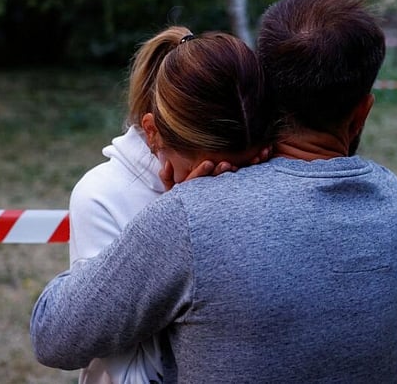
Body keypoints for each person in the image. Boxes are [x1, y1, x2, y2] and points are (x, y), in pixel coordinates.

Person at [30, 0, 397, 383]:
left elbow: (53, 335)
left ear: (264, 92)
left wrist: (172, 213)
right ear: (363, 112)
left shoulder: (192, 218)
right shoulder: (395, 203)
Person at [67, 26, 272, 383]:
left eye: (240, 169)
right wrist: (178, 215)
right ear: (152, 133)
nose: (225, 183)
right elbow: (129, 370)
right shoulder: (101, 197)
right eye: (208, 170)